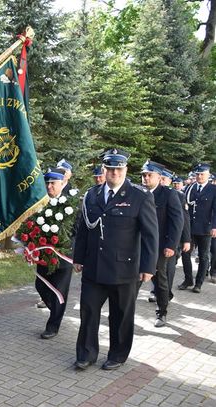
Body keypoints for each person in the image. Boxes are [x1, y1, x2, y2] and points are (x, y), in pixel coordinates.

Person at [73, 148, 158, 371]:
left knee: (120, 316)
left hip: (124, 268)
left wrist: (148, 267)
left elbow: (150, 235)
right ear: (105, 170)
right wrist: (78, 257)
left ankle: (118, 355)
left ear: (125, 169)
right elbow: (84, 229)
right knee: (88, 312)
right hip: (94, 267)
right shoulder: (92, 194)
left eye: (119, 169)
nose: (114, 173)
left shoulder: (140, 196)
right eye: (110, 169)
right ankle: (86, 354)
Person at [140, 161, 182, 327]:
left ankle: (161, 312)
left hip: (158, 246)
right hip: (138, 245)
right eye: (143, 175)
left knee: (160, 280)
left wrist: (171, 245)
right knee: (132, 280)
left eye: (149, 175)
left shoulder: (168, 194)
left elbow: (176, 221)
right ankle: (124, 313)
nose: (146, 178)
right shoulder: (137, 192)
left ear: (159, 177)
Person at [35, 168, 75, 339]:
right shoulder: (41, 203)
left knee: (59, 292)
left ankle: (53, 325)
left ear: (62, 183)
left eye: (53, 183)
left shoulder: (71, 205)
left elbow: (77, 231)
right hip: (44, 256)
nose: (49, 186)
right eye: (48, 183)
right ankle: (56, 312)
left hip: (64, 257)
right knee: (41, 285)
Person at [178, 163, 216, 293]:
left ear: (208, 175)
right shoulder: (190, 188)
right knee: (185, 253)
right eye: (198, 174)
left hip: (205, 228)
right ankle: (188, 279)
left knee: (203, 256)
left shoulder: (213, 189)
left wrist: (214, 226)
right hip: (190, 227)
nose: (199, 176)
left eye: (202, 174)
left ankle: (198, 283)